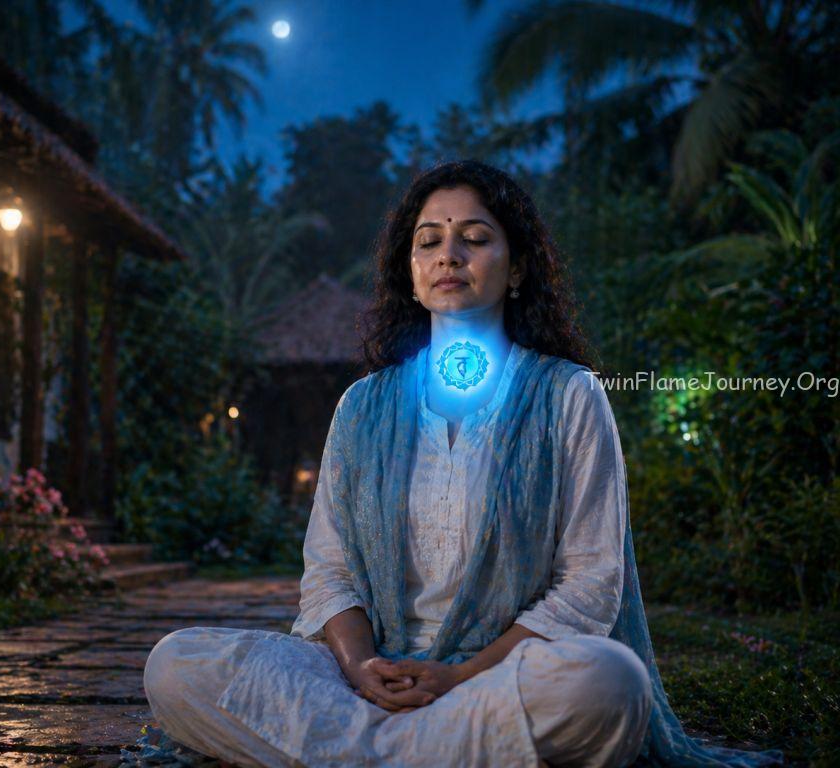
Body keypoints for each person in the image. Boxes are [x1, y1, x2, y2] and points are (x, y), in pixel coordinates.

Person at [142, 160, 786, 768]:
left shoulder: (568, 394)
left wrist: (458, 676)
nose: (449, 254)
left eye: (474, 237)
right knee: (175, 665)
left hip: (500, 675)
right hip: (375, 676)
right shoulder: (364, 406)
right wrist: (363, 668)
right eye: (428, 241)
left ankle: (360, 750)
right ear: (412, 272)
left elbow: (591, 585)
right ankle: (436, 747)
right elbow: (330, 571)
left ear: (516, 269)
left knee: (609, 682)